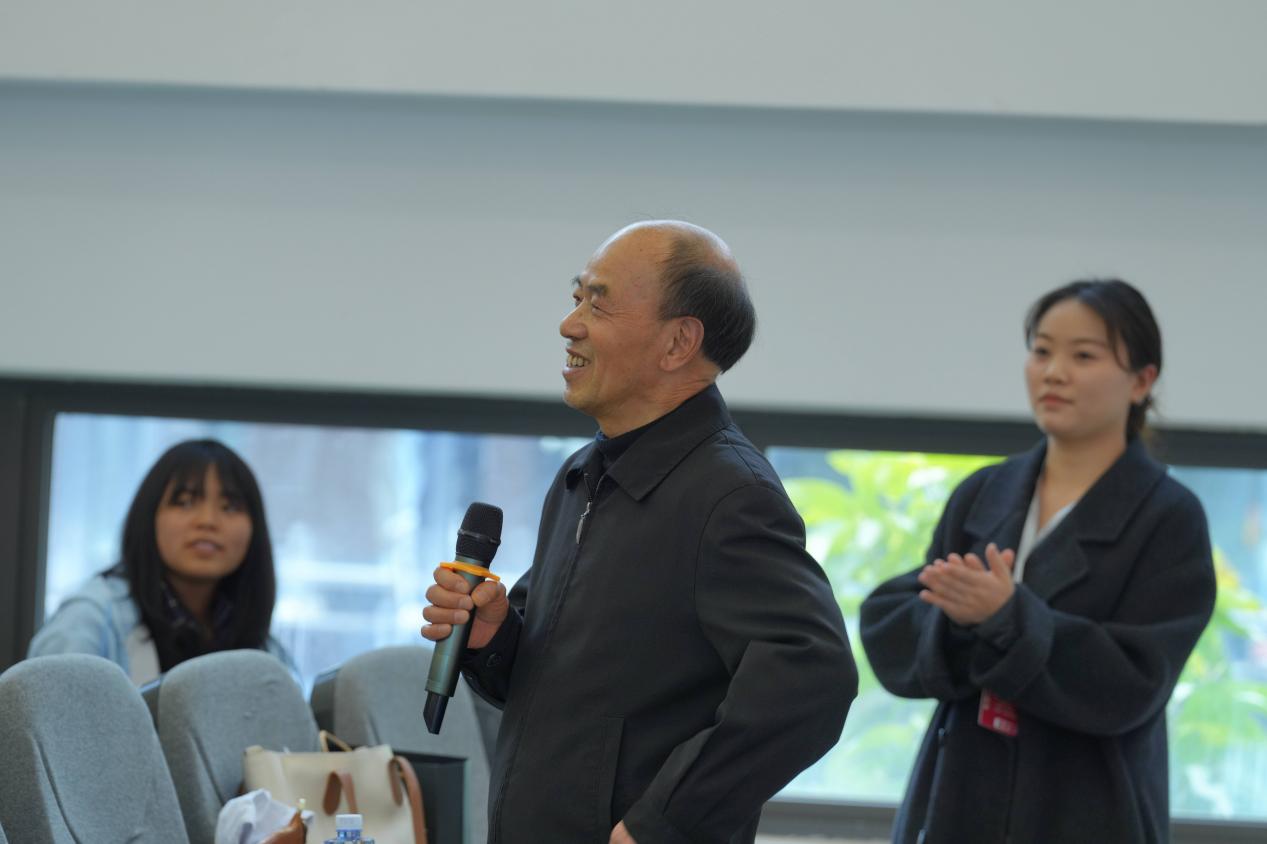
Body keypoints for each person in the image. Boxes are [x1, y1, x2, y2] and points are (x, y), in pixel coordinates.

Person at [422, 221, 857, 844]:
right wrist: (493, 636)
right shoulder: (582, 475)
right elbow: (557, 686)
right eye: (576, 298)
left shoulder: (730, 495)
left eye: (597, 304)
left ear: (678, 342)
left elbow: (813, 679)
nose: (569, 324)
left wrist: (662, 823)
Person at [860, 279, 1216, 844]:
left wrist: (1008, 618)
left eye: (1084, 356)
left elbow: (1134, 682)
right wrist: (963, 620)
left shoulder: (1169, 516)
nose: (1053, 373)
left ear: (1141, 381)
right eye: (1042, 351)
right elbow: (895, 624)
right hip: (959, 796)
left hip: (1091, 806)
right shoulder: (984, 492)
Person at [29, 438, 293, 684]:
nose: (208, 521)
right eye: (185, 502)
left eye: (230, 507)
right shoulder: (89, 621)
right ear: (148, 516)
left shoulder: (266, 650)